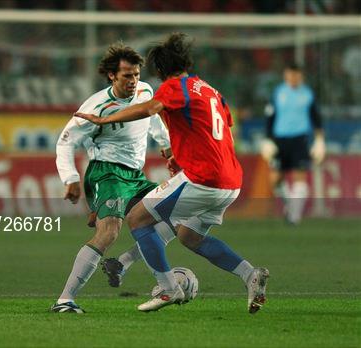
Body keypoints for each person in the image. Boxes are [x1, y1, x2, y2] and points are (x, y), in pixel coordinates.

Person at [76, 33, 269, 313]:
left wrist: (105, 118)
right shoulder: (211, 91)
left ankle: (168, 289)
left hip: (204, 177)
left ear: (160, 71)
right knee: (189, 236)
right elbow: (222, 129)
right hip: (231, 180)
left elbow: (150, 108)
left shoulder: (174, 86)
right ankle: (250, 275)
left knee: (138, 218)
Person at [51, 43, 177, 313]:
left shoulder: (145, 91)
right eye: (127, 76)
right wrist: (70, 178)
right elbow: (65, 142)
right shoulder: (97, 106)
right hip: (106, 172)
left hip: (135, 176)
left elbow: (152, 117)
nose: (133, 81)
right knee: (109, 231)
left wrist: (165, 145)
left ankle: (121, 263)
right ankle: (65, 300)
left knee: (175, 214)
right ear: (111, 76)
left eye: (136, 75)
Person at [260, 64, 325, 224]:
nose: (294, 78)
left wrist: (319, 140)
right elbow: (270, 117)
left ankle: (294, 216)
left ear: (301, 76)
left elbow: (316, 118)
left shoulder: (308, 94)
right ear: (286, 75)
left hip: (300, 139)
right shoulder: (278, 93)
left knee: (299, 177)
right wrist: (268, 138)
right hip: (279, 140)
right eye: (290, 75)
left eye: (296, 75)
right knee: (275, 179)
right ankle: (290, 205)